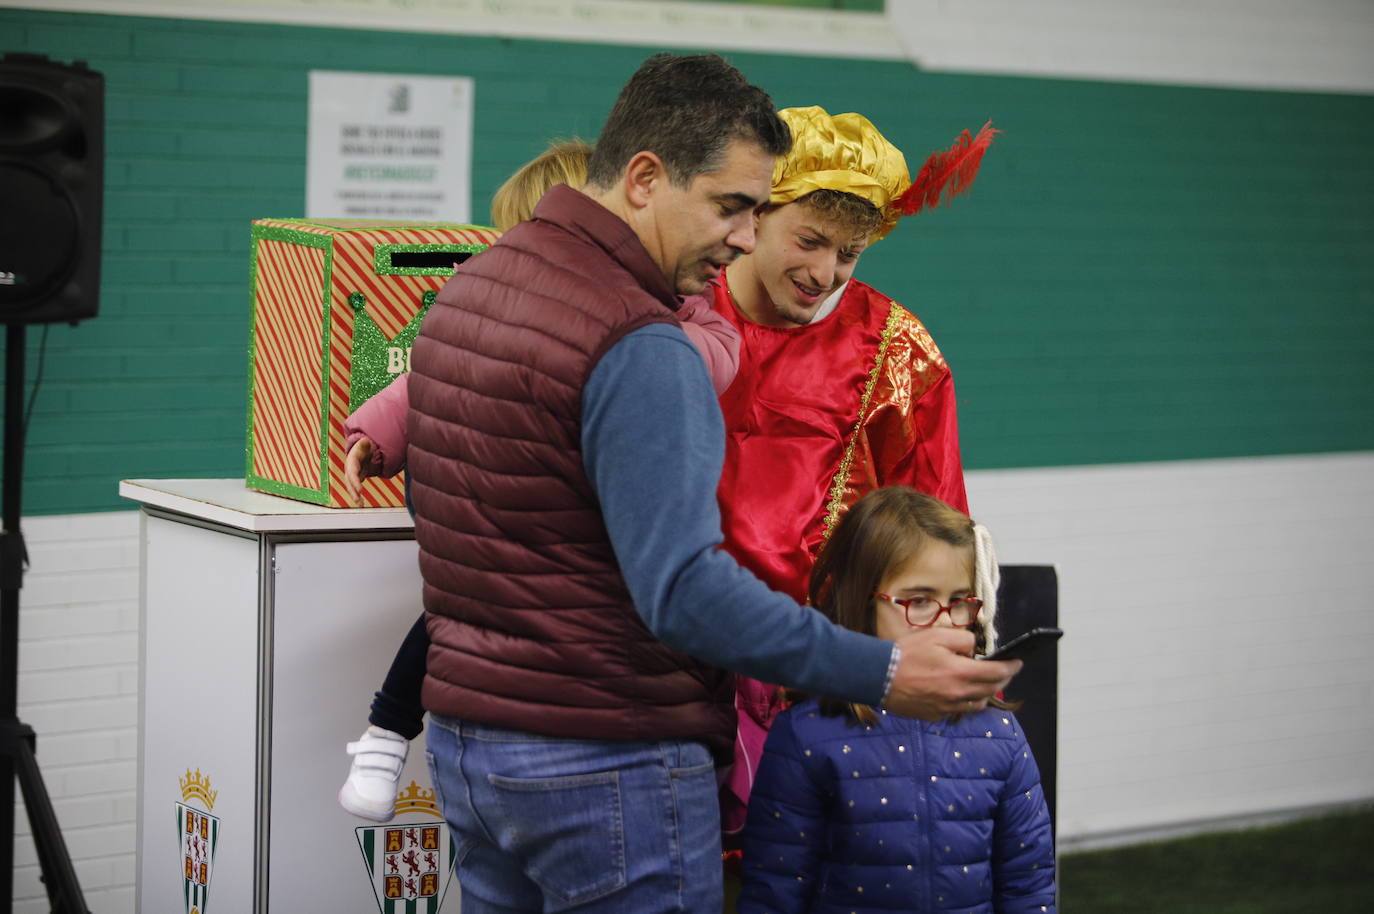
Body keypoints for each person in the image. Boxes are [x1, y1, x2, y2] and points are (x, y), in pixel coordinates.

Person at [406, 53, 1021, 912]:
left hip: (482, 744)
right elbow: (684, 591)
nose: (742, 235)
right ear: (649, 179)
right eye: (739, 210)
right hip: (615, 742)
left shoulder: (475, 293)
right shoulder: (652, 334)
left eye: (847, 252)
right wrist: (881, 671)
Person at [336, 138, 743, 822]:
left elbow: (715, 356)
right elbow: (430, 371)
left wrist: (632, 333)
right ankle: (384, 730)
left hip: (571, 519)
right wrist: (377, 436)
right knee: (465, 604)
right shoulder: (502, 315)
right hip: (500, 505)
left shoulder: (671, 315)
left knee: (482, 610)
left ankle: (386, 731)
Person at [705, 106, 1000, 839]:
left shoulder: (899, 354)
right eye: (808, 240)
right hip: (678, 680)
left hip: (831, 696)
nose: (824, 272)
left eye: (850, 253)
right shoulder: (678, 315)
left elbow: (936, 539)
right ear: (754, 216)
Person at [737, 487, 1058, 913]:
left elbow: (1028, 884)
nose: (946, 621)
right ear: (862, 601)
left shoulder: (999, 732)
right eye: (919, 600)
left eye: (960, 601)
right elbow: (775, 891)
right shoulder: (805, 735)